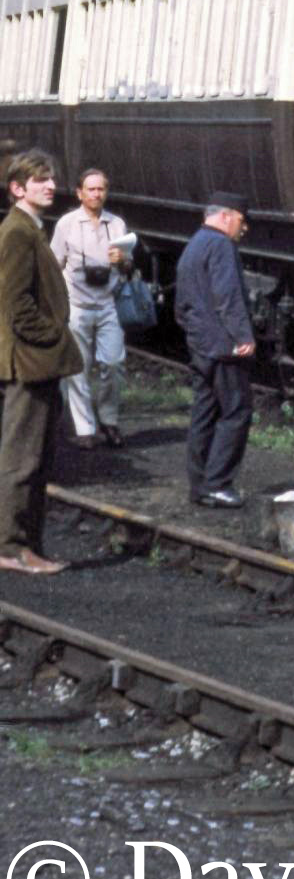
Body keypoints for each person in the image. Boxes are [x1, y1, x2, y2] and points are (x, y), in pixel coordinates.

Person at [0, 152, 77, 574]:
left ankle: (27, 545)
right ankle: (11, 548)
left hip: (36, 361)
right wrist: (51, 336)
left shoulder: (30, 228)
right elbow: (14, 303)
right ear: (18, 188)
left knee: (37, 457)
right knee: (22, 459)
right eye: (40, 180)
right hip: (28, 361)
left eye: (51, 179)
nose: (50, 186)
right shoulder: (16, 232)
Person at [174, 192, 257, 508]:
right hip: (223, 345)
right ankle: (218, 482)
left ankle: (199, 484)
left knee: (205, 411)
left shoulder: (194, 244)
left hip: (201, 343)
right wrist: (242, 335)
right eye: (241, 220)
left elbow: (181, 303)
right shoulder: (222, 245)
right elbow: (228, 295)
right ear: (226, 216)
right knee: (236, 410)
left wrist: (195, 334)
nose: (243, 228)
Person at [50, 167, 130, 448]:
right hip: (77, 304)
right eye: (91, 189)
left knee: (113, 363)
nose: (97, 194)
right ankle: (85, 429)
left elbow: (128, 266)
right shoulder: (67, 224)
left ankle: (109, 421)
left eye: (101, 189)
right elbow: (54, 264)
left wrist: (122, 259)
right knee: (78, 367)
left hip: (108, 303)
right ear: (79, 193)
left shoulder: (116, 224)